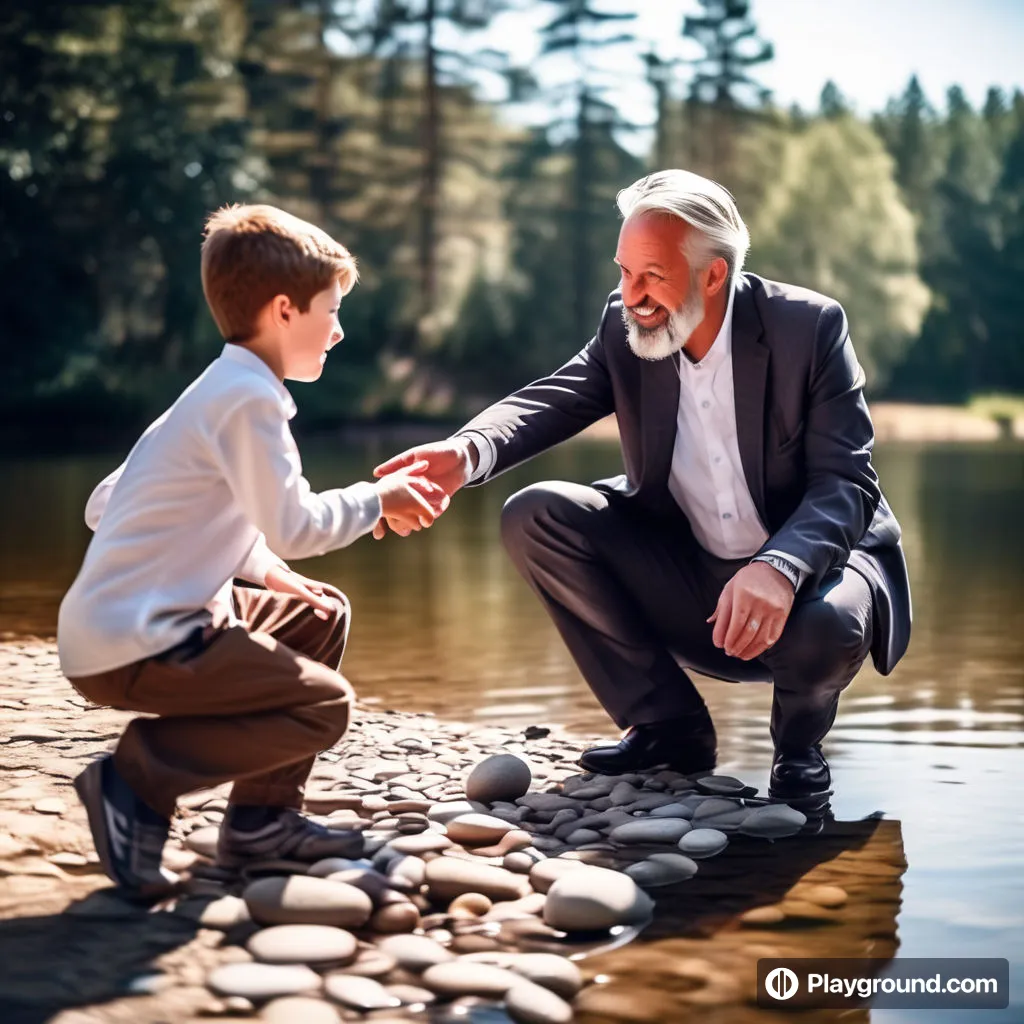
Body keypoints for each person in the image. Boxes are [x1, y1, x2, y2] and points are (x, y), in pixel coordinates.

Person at [374, 169, 912, 801]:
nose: (632, 294)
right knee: (536, 515)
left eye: (652, 274)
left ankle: (798, 751)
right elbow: (558, 397)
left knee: (827, 627)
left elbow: (847, 481)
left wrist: (781, 566)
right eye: (623, 271)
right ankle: (668, 728)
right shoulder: (623, 325)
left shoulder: (808, 328)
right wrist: (465, 454)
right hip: (688, 575)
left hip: (808, 583)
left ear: (714, 274)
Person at [58, 204, 447, 895]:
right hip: (135, 644)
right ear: (283, 311)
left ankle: (260, 823)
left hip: (124, 624)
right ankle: (135, 779)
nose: (340, 328)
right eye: (331, 310)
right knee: (323, 708)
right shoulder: (248, 400)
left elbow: (107, 505)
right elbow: (297, 524)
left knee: (319, 616)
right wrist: (377, 499)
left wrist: (263, 569)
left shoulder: (214, 389)